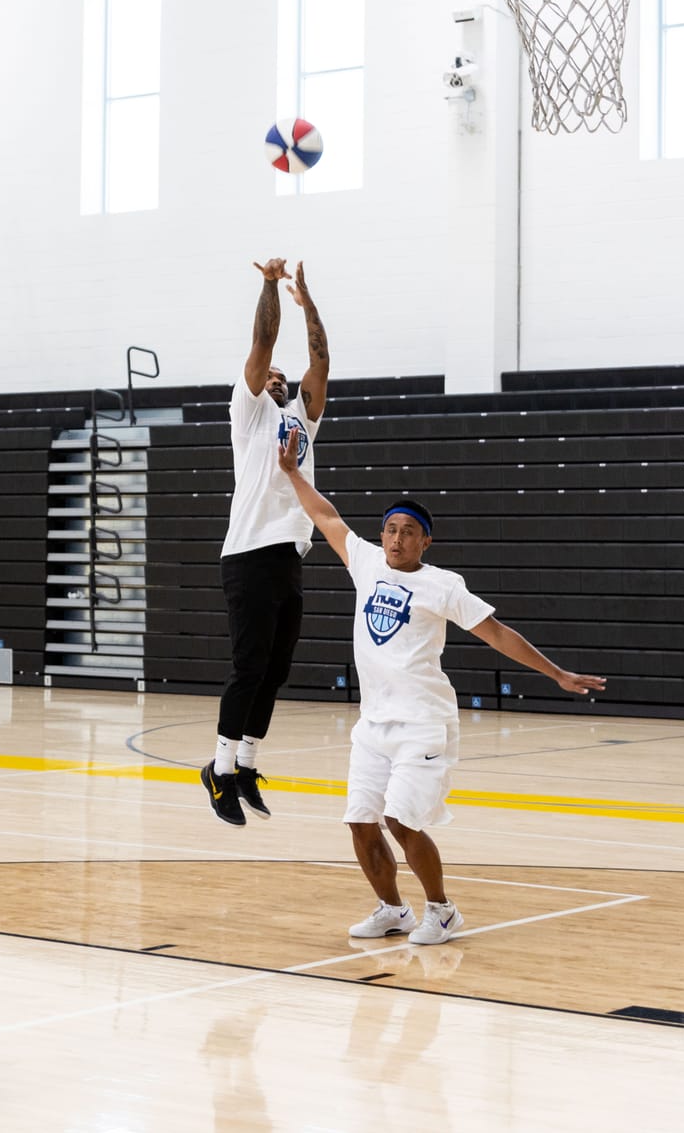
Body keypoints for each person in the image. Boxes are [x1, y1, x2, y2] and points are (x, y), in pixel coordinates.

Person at [276, 426, 606, 943]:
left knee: (400, 822)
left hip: (424, 723)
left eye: (408, 531)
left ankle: (443, 910)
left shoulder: (443, 585)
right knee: (361, 823)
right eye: (390, 529)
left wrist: (557, 673)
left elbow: (497, 633)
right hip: (373, 725)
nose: (397, 538)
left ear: (425, 540)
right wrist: (293, 473)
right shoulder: (364, 562)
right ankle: (392, 910)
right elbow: (326, 517)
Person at [202, 258, 330, 826]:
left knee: (276, 671)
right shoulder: (249, 414)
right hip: (248, 553)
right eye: (271, 375)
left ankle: (247, 763)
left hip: (288, 554)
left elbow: (321, 360)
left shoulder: (304, 417)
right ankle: (219, 769)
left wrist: (309, 302)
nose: (277, 378)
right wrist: (269, 283)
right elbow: (262, 338)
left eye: (283, 377)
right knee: (248, 667)